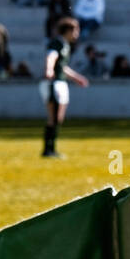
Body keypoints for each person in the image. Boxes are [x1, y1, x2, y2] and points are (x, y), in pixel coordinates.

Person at [40, 17, 89, 158]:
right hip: (54, 83)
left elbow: (62, 66)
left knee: (57, 118)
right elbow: (51, 57)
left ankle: (50, 149)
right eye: (76, 30)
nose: (77, 33)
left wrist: (77, 78)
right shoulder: (58, 43)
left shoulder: (66, 45)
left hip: (60, 82)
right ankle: (49, 150)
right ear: (68, 30)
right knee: (54, 117)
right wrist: (49, 70)